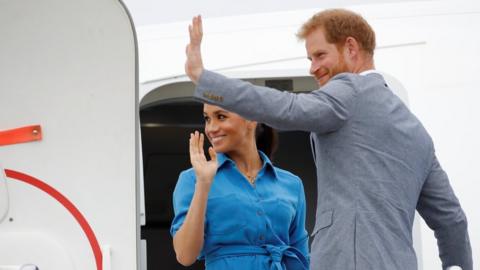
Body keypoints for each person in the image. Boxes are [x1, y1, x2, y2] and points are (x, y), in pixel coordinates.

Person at [183, 9, 473, 270]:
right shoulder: (417, 132)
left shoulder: (348, 91)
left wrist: (204, 79)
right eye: (310, 59)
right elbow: (452, 221)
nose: (313, 68)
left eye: (320, 56)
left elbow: (287, 108)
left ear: (350, 47)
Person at [170, 104, 310, 270]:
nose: (211, 128)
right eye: (207, 119)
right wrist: (203, 183)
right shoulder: (192, 179)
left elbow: (301, 256)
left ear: (251, 118)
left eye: (221, 116)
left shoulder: (291, 184)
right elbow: (185, 255)